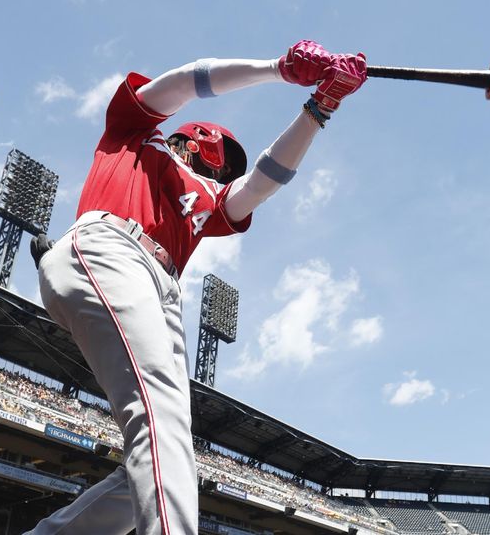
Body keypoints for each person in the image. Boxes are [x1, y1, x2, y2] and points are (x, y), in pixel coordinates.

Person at [25, 40, 367, 535]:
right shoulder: (138, 133)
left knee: (165, 447)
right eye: (223, 158)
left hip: (160, 283)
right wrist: (278, 69)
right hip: (112, 245)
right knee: (159, 419)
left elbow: (265, 182)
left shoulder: (211, 200)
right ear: (196, 141)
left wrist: (320, 108)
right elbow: (187, 82)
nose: (226, 168)